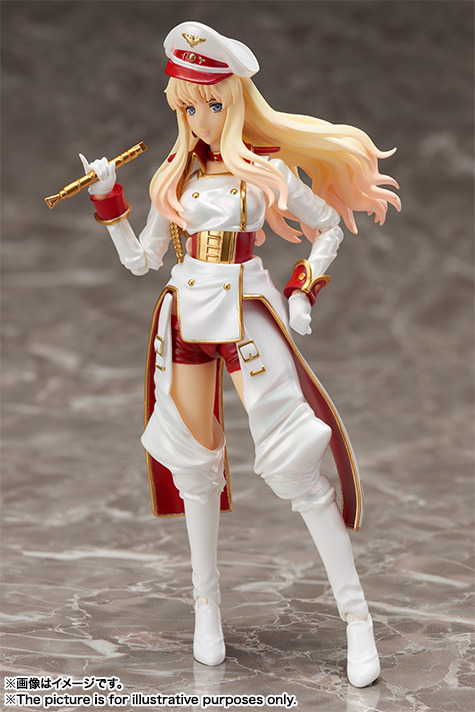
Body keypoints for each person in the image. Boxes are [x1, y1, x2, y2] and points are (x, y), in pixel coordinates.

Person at [80, 21, 400, 687]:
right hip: (184, 318)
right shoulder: (172, 177)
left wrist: (302, 291)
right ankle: (207, 610)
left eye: (211, 104)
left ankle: (356, 618)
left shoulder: (266, 172)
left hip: (248, 314)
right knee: (194, 467)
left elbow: (326, 231)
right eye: (187, 107)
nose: (199, 118)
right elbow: (141, 262)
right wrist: (108, 198)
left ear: (236, 103)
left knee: (295, 463)